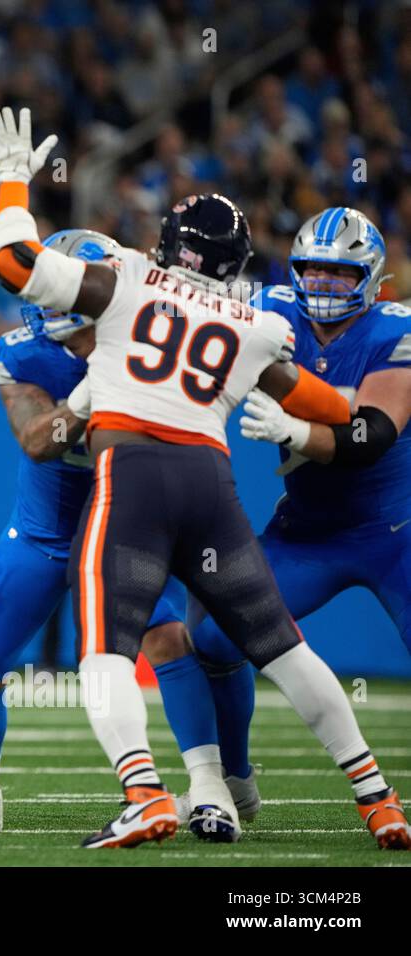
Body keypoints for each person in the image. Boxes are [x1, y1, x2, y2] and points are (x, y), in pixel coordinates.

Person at [0, 106, 408, 850]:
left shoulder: (126, 280)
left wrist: (14, 184)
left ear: (165, 246)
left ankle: (145, 793)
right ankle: (378, 799)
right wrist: (306, 426)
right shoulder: (254, 324)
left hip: (135, 476)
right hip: (211, 491)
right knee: (284, 648)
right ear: (240, 267)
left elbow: (13, 262)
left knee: (106, 650)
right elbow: (333, 407)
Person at [0, 230, 236, 838]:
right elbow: (39, 442)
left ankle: (209, 788)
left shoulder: (153, 337)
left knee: (168, 638)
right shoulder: (22, 353)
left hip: (128, 521)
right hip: (45, 530)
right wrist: (90, 400)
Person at [193, 208, 411, 811]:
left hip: (396, 530)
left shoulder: (396, 328)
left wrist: (294, 429)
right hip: (308, 531)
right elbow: (184, 300)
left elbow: (371, 438)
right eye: (314, 270)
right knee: (213, 637)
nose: (325, 285)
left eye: (341, 275)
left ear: (371, 280)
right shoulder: (269, 307)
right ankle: (236, 778)